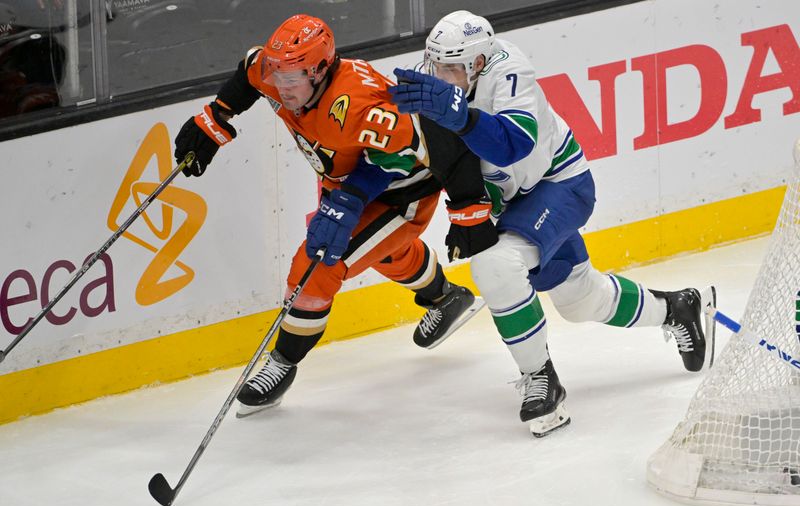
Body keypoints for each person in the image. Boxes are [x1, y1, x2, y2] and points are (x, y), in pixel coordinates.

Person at [389, 10, 716, 436]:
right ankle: (678, 308)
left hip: (559, 186)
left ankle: (542, 379)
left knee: (496, 265)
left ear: (479, 63)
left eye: (451, 68)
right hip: (510, 202)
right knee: (579, 300)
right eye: (435, 65)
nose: (439, 75)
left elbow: (512, 143)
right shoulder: (433, 82)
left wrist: (460, 117)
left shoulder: (511, 69)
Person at [173, 14, 498, 417]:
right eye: (277, 75)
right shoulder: (277, 72)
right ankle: (447, 298)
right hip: (342, 184)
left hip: (402, 195)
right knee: (382, 252)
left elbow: (439, 145)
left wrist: (465, 211)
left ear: (321, 70)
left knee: (318, 263)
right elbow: (250, 69)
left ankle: (282, 363)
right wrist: (215, 117)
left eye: (291, 79)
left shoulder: (360, 107)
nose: (280, 88)